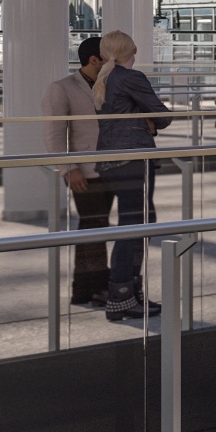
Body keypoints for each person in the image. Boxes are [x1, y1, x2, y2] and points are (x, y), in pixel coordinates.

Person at [90, 31, 170, 321]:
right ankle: (122, 297)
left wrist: (142, 117)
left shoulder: (104, 79)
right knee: (135, 225)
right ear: (133, 48)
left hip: (111, 160)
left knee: (133, 223)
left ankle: (128, 293)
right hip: (133, 157)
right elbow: (163, 115)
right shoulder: (131, 77)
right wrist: (149, 120)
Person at [44, 34, 109, 307]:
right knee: (93, 227)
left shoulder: (112, 83)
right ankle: (91, 289)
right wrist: (68, 169)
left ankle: (87, 290)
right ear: (95, 59)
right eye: (109, 57)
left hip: (117, 166)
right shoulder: (62, 88)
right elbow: (54, 133)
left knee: (98, 228)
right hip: (86, 171)